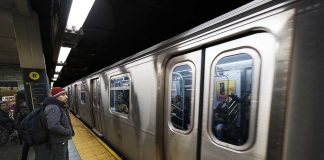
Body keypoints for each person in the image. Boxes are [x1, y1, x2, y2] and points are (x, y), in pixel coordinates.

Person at [34, 87, 74, 160]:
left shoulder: (57, 105)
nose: (66, 97)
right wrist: (68, 131)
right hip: (58, 141)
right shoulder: (53, 107)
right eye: (63, 95)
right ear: (56, 97)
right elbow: (53, 125)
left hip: (60, 140)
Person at [15, 90, 31, 160]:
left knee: (26, 145)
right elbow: (28, 116)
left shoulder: (18, 104)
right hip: (27, 127)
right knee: (29, 143)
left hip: (22, 128)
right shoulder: (24, 104)